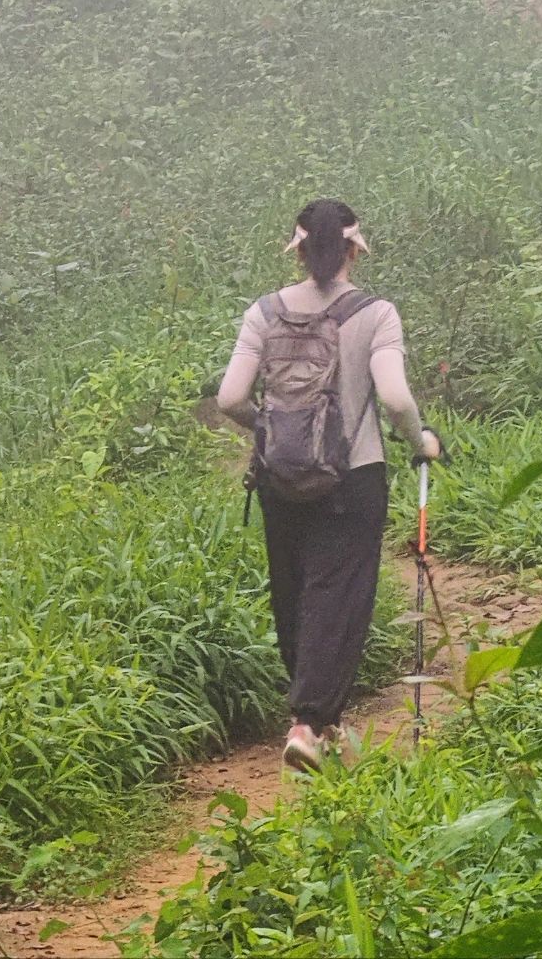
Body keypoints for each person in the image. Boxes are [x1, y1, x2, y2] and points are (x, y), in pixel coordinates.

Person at [216, 198, 438, 772]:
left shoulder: (263, 312)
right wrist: (421, 441)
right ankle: (308, 724)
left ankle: (324, 722)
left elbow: (230, 398)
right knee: (337, 596)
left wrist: (270, 431)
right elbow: (395, 399)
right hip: (353, 477)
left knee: (294, 592)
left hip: (280, 476)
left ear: (297, 250)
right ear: (353, 250)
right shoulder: (376, 313)